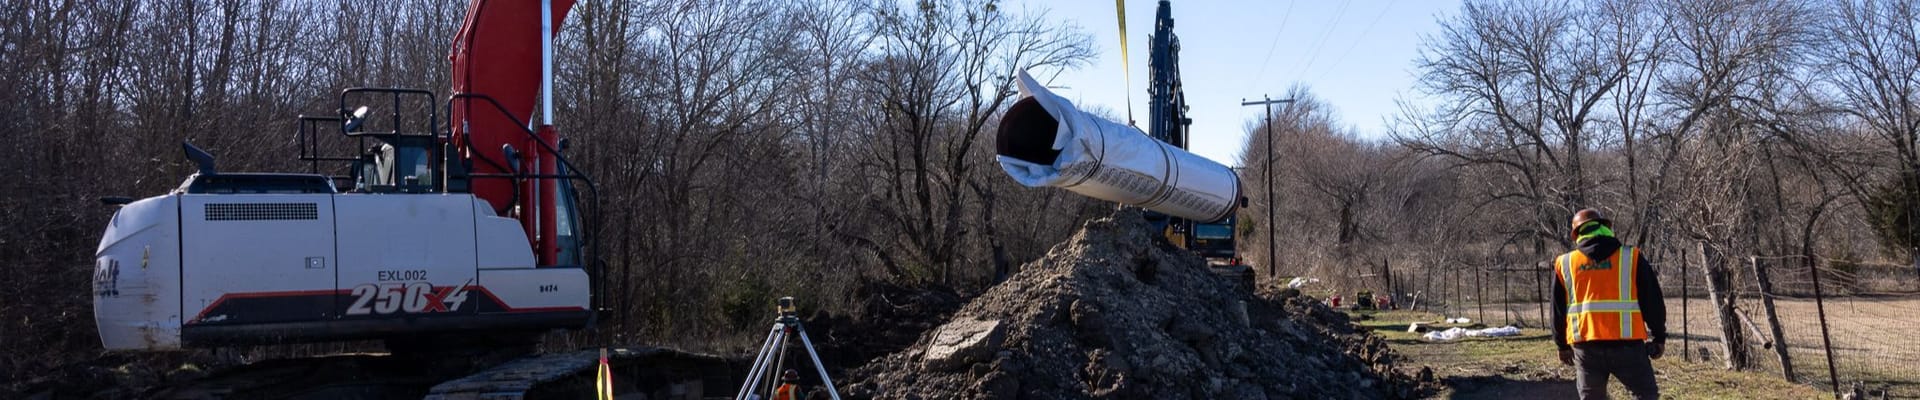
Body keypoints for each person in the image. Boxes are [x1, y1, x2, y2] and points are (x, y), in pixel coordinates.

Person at [1552, 209, 1667, 400]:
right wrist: (1659, 336)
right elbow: (1653, 300)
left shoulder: (1565, 263)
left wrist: (1561, 345)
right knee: (1646, 396)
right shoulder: (1631, 258)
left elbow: (1557, 310)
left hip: (1585, 348)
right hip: (1628, 347)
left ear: (1577, 234)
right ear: (1605, 229)